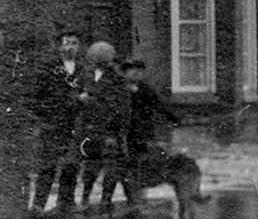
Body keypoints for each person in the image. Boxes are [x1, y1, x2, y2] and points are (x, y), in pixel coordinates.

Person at [113, 59, 180, 203]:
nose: (137, 72)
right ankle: (130, 195)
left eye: (140, 70)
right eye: (132, 69)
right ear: (125, 72)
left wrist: (174, 118)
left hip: (143, 134)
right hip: (123, 134)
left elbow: (159, 105)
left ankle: (138, 195)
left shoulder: (146, 90)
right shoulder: (118, 89)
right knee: (124, 166)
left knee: (141, 164)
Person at [30, 31, 83, 213]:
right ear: (60, 46)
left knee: (71, 166)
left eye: (74, 43)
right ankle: (38, 206)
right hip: (53, 124)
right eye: (67, 43)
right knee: (48, 166)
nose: (70, 47)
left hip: (74, 125)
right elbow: (38, 97)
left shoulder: (82, 70)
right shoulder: (48, 68)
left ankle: (65, 204)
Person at [75, 41, 130, 207]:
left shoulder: (117, 79)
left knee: (111, 167)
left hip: (108, 131)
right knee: (90, 167)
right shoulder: (86, 75)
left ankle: (106, 199)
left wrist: (116, 132)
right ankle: (85, 197)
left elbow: (121, 107)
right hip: (89, 129)